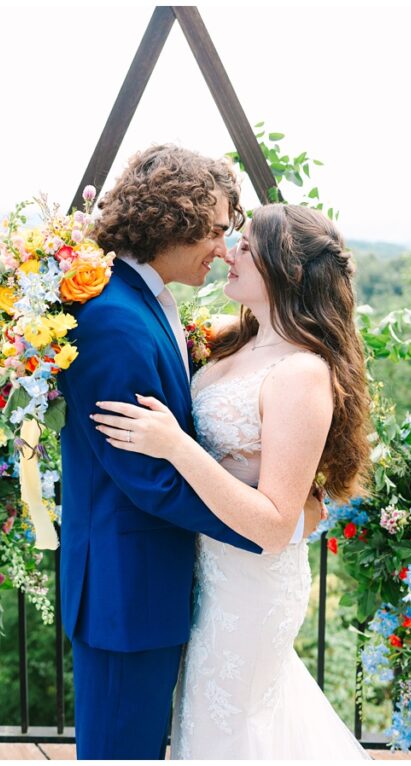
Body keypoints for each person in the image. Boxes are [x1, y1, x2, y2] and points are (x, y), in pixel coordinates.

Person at [56, 144, 323, 760]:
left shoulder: (144, 300)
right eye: (216, 230)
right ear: (173, 221)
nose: (224, 247)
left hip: (167, 587)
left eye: (235, 236)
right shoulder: (114, 320)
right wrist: (264, 525)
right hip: (128, 594)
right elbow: (148, 478)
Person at [93, 203, 371, 759]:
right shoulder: (230, 342)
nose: (228, 250)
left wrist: (175, 446)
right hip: (202, 571)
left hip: (250, 585)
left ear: (285, 268)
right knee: (204, 724)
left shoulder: (302, 373)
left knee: (230, 728)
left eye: (245, 244)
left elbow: (274, 525)